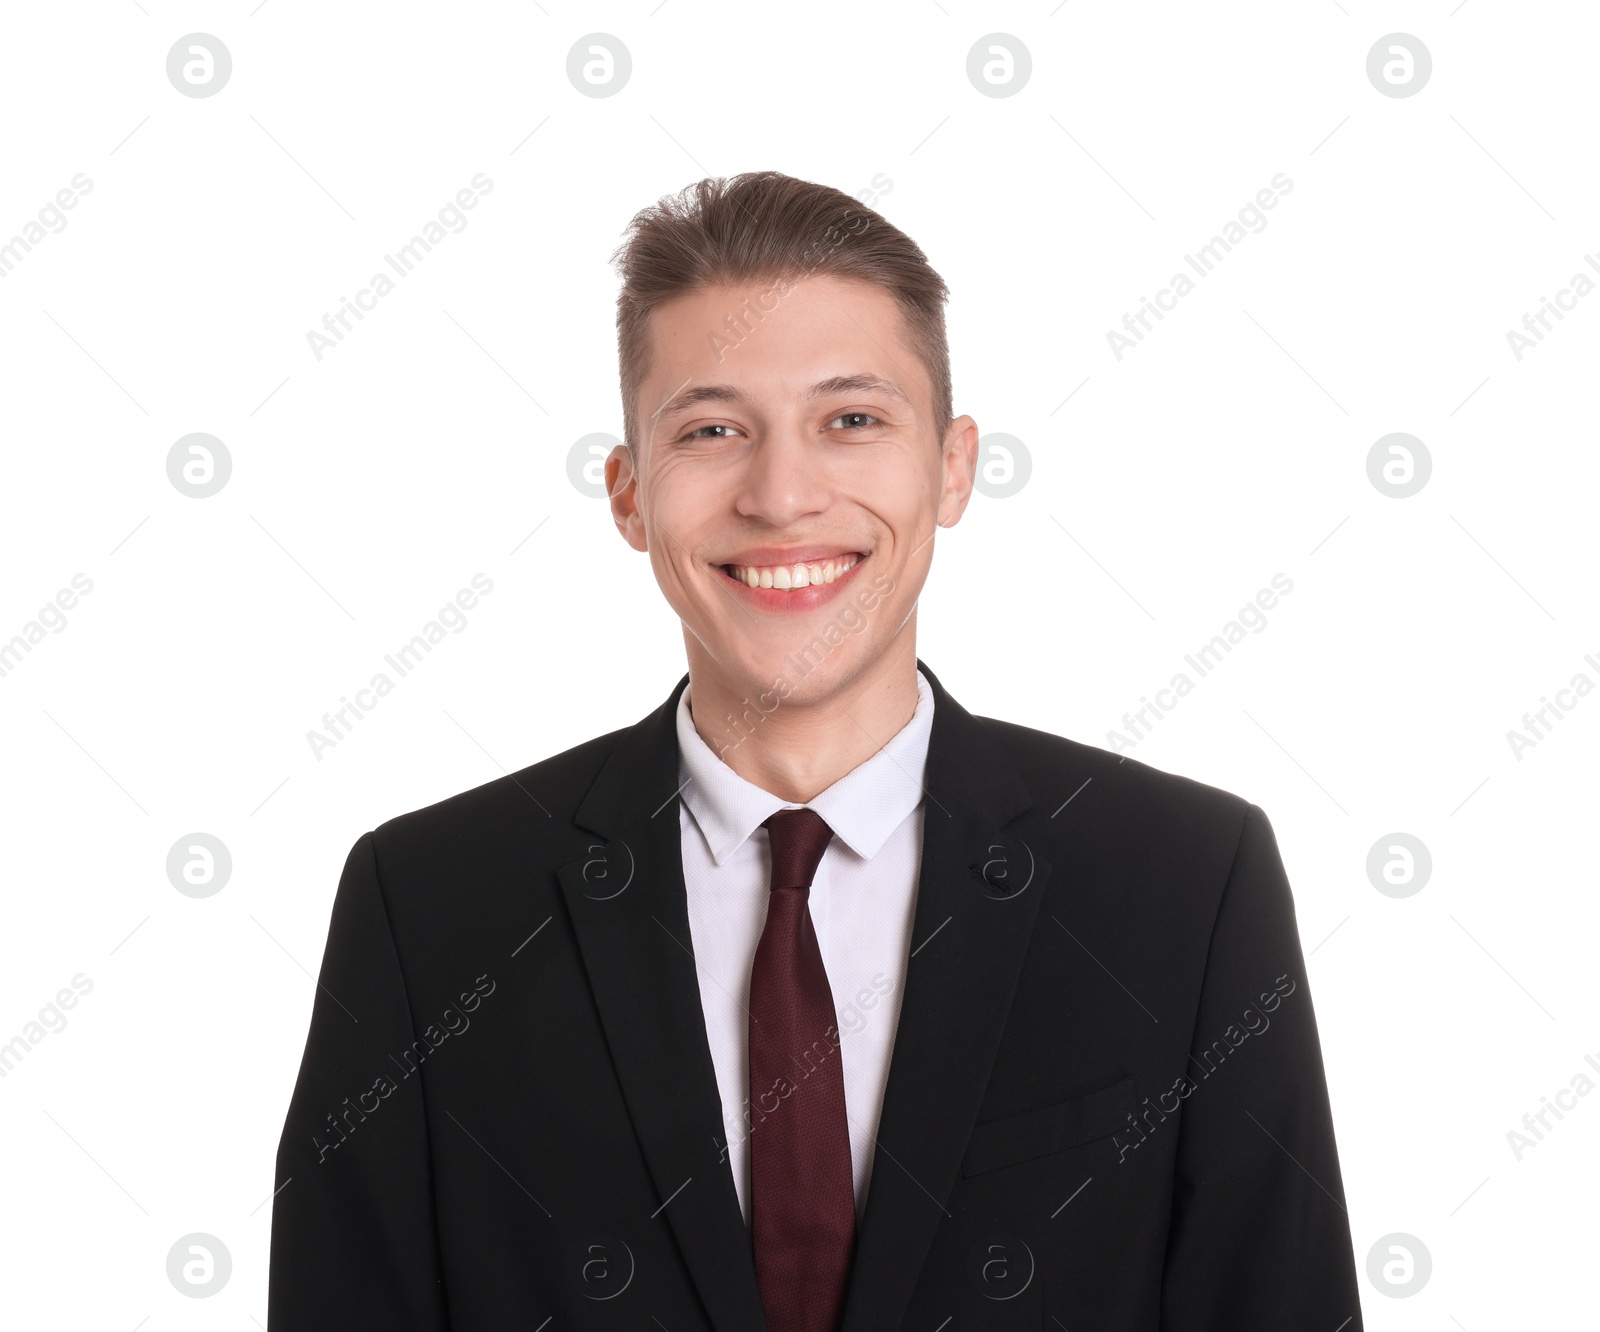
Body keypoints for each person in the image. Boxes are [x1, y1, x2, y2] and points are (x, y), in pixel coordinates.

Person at [269, 171, 1364, 1331]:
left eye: (851, 419)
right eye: (711, 430)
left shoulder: (1184, 884)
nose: (783, 495)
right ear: (630, 495)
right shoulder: (431, 909)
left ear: (951, 466)